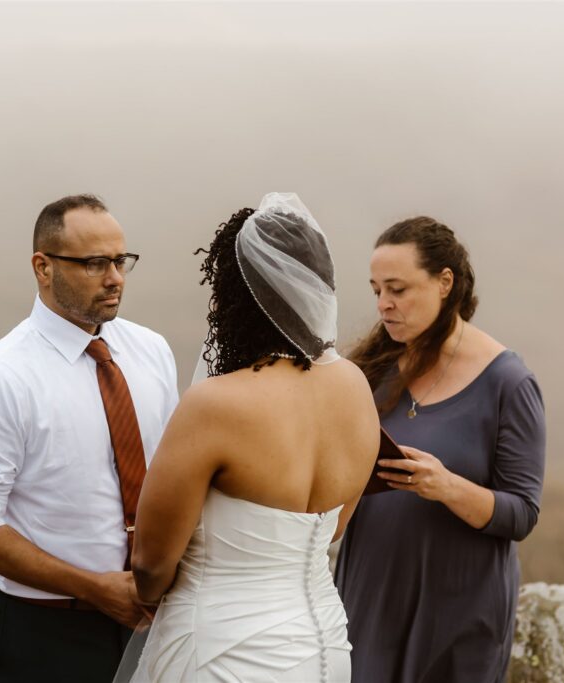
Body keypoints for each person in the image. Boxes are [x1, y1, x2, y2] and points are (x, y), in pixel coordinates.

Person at [125, 193, 380, 683]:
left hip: (222, 651)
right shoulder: (355, 388)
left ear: (236, 298)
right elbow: (335, 527)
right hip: (324, 645)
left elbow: (151, 565)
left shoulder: (215, 405)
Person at [0, 194, 179, 683]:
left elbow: (172, 472)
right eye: (94, 263)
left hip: (157, 618)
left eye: (120, 260)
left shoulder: (151, 350)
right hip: (44, 629)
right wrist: (96, 588)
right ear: (43, 267)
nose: (115, 277)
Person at [335, 216, 546, 683]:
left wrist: (446, 486)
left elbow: (522, 513)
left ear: (444, 282)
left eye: (398, 289)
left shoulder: (508, 382)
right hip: (370, 595)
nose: (384, 305)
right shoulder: (372, 367)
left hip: (459, 611)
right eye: (376, 291)